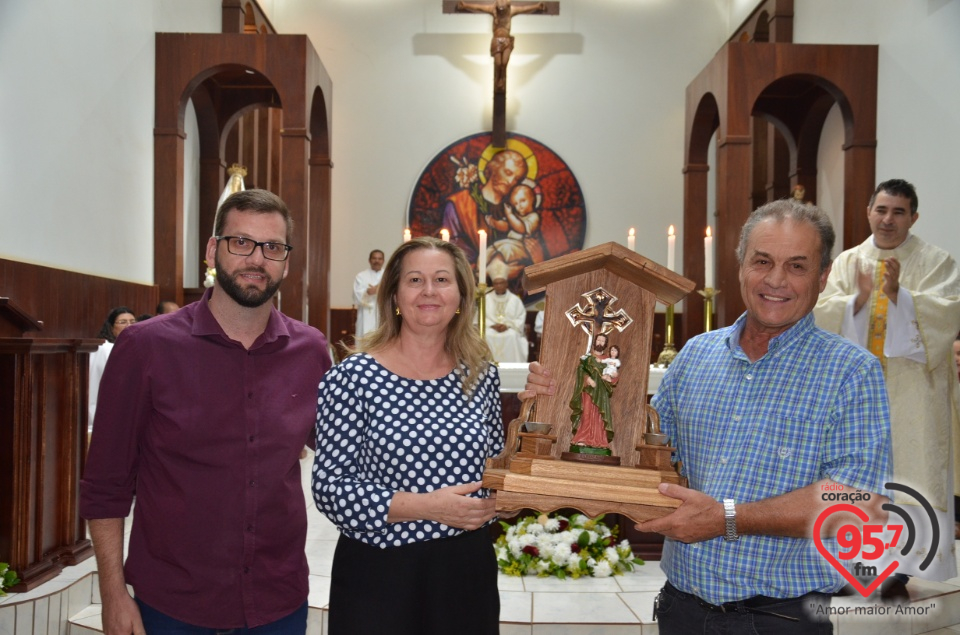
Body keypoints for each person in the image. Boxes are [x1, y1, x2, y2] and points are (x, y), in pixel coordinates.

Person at [523, 200, 892, 633]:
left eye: (797, 266)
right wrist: (559, 396)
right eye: (762, 261)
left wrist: (728, 517)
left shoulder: (851, 371)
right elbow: (641, 451)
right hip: (683, 610)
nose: (776, 280)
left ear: (824, 276)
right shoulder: (697, 354)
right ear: (740, 267)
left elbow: (859, 501)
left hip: (780, 617)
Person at [80, 189, 332, 634]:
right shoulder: (146, 346)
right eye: (241, 242)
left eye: (273, 247)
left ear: (287, 262)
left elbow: (344, 449)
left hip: (278, 601)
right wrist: (113, 594)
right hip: (173, 604)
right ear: (213, 250)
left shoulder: (310, 350)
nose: (257, 259)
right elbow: (106, 483)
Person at [312, 236, 503, 634]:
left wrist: (538, 412)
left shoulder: (481, 374)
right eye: (415, 280)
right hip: (380, 574)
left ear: (461, 296)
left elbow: (497, 469)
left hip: (466, 571)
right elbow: (330, 488)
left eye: (442, 280)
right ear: (395, 294)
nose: (429, 291)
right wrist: (428, 506)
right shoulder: (354, 377)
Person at [814, 178, 960, 584]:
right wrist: (856, 303)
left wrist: (901, 297)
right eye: (881, 210)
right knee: (856, 479)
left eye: (899, 212)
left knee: (910, 479)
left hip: (915, 398)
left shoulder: (936, 262)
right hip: (856, 396)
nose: (888, 219)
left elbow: (947, 316)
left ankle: (909, 572)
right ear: (868, 212)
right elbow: (819, 316)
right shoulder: (846, 263)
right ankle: (852, 570)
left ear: (913, 217)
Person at [441, 148, 527, 263]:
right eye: (508, 173)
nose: (511, 181)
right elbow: (452, 248)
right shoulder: (460, 203)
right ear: (493, 168)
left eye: (517, 179)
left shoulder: (514, 211)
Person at [455, 0, 548, 93]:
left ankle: (501, 79)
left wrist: (536, 6)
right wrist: (466, 5)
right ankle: (498, 79)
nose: (501, 11)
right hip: (496, 40)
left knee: (504, 62)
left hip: (507, 41)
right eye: (500, 9)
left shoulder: (512, 10)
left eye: (503, 9)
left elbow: (524, 9)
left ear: (507, 7)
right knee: (498, 63)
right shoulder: (492, 9)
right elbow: (479, 7)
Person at [88, 307, 136, 429]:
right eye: (123, 322)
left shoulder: (99, 346)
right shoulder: (108, 349)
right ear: (111, 327)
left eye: (133, 321)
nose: (129, 325)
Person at [487, 180, 545, 280]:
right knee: (491, 250)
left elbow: (521, 228)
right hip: (510, 244)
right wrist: (493, 223)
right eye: (516, 204)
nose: (519, 206)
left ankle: (496, 270)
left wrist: (509, 215)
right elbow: (505, 226)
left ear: (533, 199)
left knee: (506, 248)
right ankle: (482, 271)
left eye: (522, 200)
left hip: (523, 247)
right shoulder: (515, 218)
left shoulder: (533, 217)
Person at [568, 332, 616, 451]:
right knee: (587, 413)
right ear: (595, 342)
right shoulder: (587, 358)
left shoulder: (607, 360)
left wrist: (611, 377)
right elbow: (581, 370)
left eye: (602, 341)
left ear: (605, 344)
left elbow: (614, 376)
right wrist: (587, 378)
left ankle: (600, 440)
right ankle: (583, 438)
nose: (600, 343)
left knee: (600, 416)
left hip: (602, 392)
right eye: (598, 340)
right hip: (589, 391)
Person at [483, 259, 529, 363]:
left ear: (506, 283)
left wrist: (507, 325)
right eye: (496, 283)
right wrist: (492, 325)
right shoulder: (486, 299)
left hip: (510, 329)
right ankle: (488, 367)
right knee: (486, 335)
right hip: (490, 329)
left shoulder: (515, 300)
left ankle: (512, 368)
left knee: (512, 336)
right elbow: (480, 318)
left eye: (501, 283)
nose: (499, 286)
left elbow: (520, 318)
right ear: (493, 285)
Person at [353, 248, 385, 337]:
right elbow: (356, 295)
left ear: (383, 261)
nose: (377, 261)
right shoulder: (361, 276)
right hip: (366, 313)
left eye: (379, 259)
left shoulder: (388, 276)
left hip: (383, 313)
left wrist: (380, 289)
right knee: (365, 339)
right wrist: (367, 292)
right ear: (369, 260)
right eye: (374, 258)